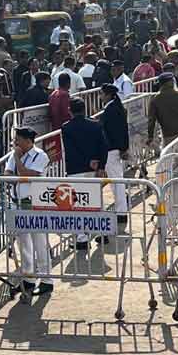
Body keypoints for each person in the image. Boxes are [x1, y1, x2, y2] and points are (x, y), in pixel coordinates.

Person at [4, 127, 52, 297]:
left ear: (27, 140)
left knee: (40, 242)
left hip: (35, 204)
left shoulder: (41, 156)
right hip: (17, 204)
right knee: (23, 242)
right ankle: (28, 278)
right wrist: (16, 161)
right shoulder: (14, 155)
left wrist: (17, 158)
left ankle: (46, 280)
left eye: (18, 139)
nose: (15, 143)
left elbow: (26, 174)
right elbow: (7, 174)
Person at [61, 98, 108, 250]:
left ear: (70, 111)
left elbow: (71, 150)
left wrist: (87, 161)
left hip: (75, 170)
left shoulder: (66, 128)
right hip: (93, 170)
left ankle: (82, 238)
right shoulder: (95, 125)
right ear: (84, 109)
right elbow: (103, 146)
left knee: (78, 205)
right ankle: (103, 232)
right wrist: (100, 165)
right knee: (97, 201)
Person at [98, 84, 129, 228]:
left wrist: (122, 148)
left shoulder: (111, 110)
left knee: (117, 182)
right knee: (117, 181)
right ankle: (120, 211)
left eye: (102, 94)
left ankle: (121, 212)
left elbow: (116, 131)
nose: (100, 97)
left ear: (108, 95)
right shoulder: (115, 107)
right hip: (115, 149)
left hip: (111, 150)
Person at [148, 73, 178, 148]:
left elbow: (151, 120)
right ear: (172, 82)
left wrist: (150, 136)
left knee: (170, 157)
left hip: (169, 134)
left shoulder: (155, 99)